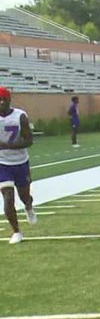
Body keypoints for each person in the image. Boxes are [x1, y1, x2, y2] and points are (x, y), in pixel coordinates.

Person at [0, 87, 37, 245]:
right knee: (8, 198)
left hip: (20, 162)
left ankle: (28, 205)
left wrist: (9, 146)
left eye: (3, 100)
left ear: (9, 100)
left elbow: (29, 140)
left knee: (24, 196)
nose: (1, 103)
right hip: (3, 164)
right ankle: (16, 231)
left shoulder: (20, 116)